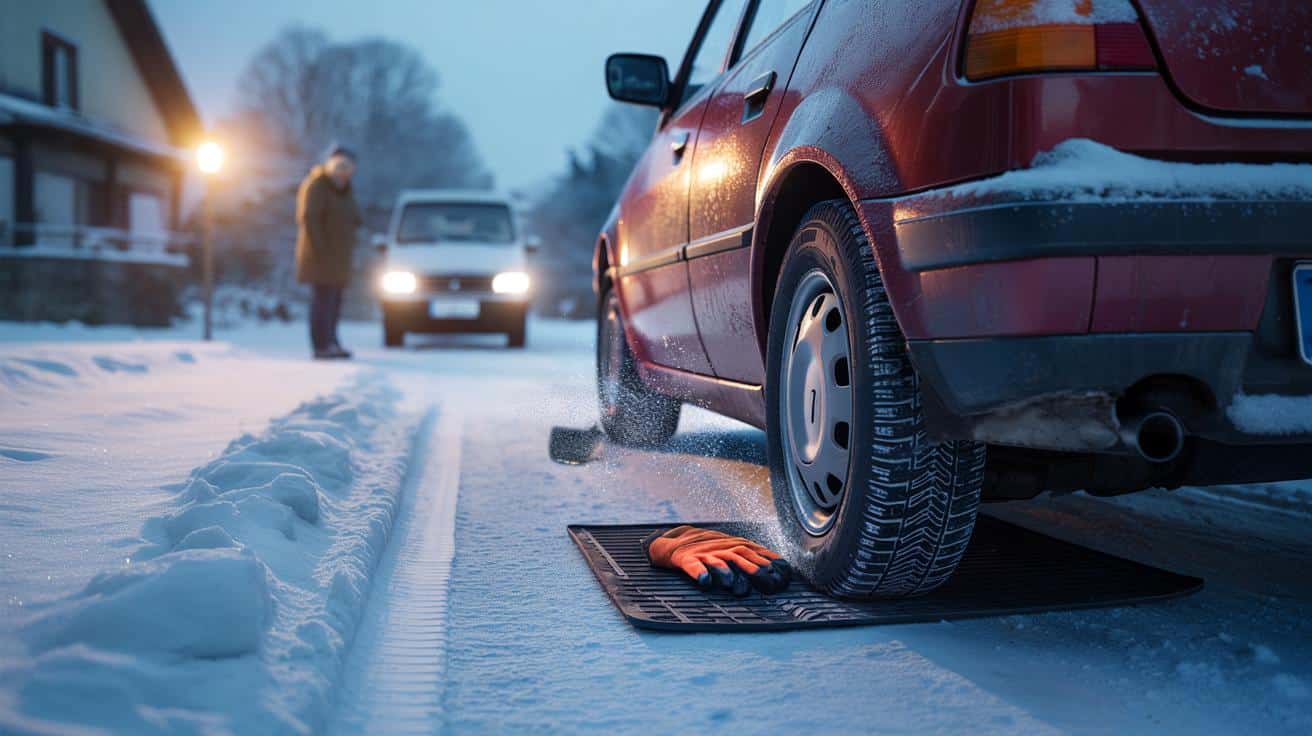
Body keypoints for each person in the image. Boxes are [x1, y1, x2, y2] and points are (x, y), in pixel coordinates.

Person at [296, 145, 362, 359]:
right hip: (321, 257)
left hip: (340, 258)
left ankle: (332, 342)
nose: (343, 171)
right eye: (339, 165)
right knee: (322, 302)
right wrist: (320, 250)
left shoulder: (346, 190)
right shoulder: (317, 185)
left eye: (348, 167)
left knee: (335, 302)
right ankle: (321, 346)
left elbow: (352, 216)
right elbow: (310, 219)